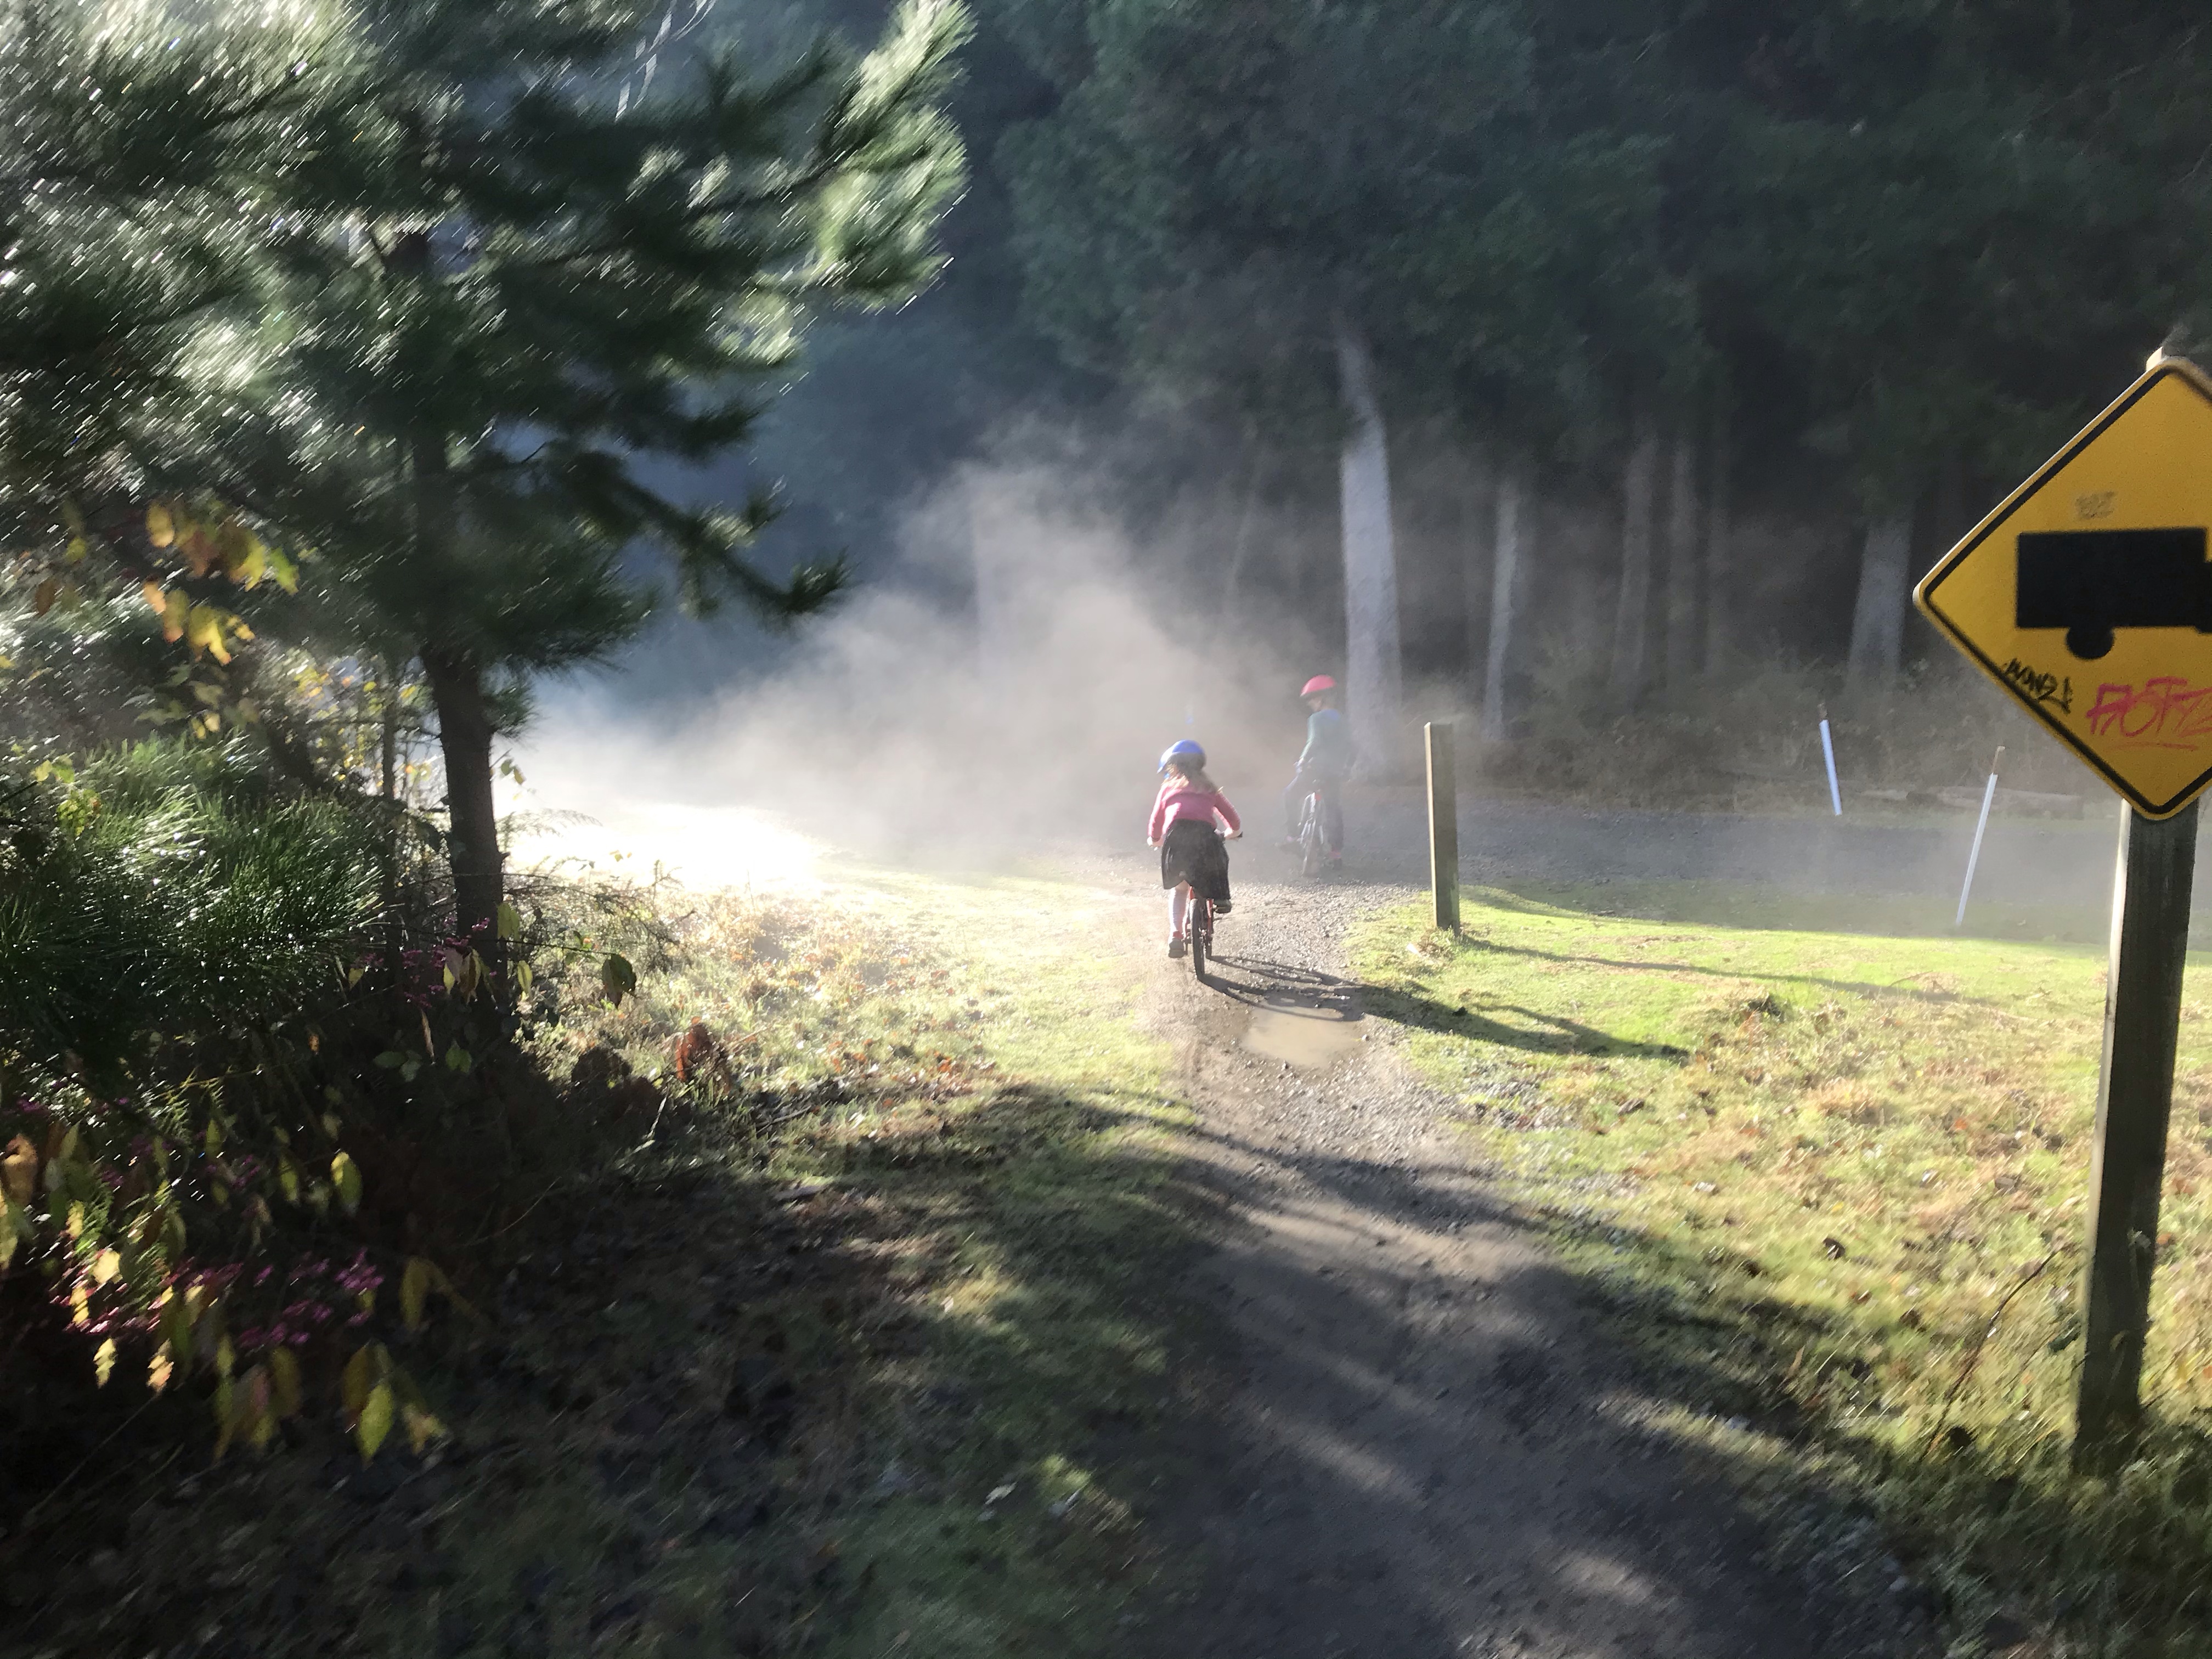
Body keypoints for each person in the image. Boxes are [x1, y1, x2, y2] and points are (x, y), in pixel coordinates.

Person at [1148, 740, 1242, 958]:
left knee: (1180, 890)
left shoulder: (1167, 789)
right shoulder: (1209, 788)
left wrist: (1155, 840)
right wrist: (1230, 834)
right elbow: (1234, 821)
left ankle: (1176, 936)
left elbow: (1155, 822)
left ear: (1173, 767)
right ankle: (1221, 897)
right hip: (1205, 839)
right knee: (1219, 858)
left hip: (1177, 841)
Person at [1280, 675, 1350, 862]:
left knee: (1290, 794)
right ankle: (1336, 852)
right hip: (1334, 772)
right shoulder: (1343, 720)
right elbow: (1351, 745)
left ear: (1321, 699)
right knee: (1333, 808)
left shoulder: (1316, 718)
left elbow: (1314, 741)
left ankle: (1293, 837)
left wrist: (1303, 760)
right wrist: (1347, 767)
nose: (1310, 703)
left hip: (1315, 769)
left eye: (1311, 699)